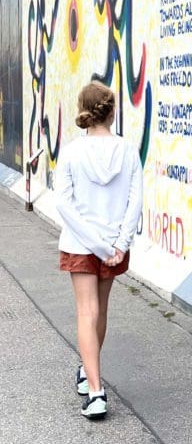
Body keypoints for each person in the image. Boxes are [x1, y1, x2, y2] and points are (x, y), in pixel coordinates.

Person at [54, 80, 142, 420]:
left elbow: (64, 203)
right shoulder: (129, 151)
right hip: (113, 245)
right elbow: (135, 202)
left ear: (85, 110)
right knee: (100, 311)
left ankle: (95, 390)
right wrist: (118, 244)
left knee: (85, 312)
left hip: (80, 243)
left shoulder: (73, 151)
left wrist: (96, 244)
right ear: (112, 111)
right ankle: (89, 373)